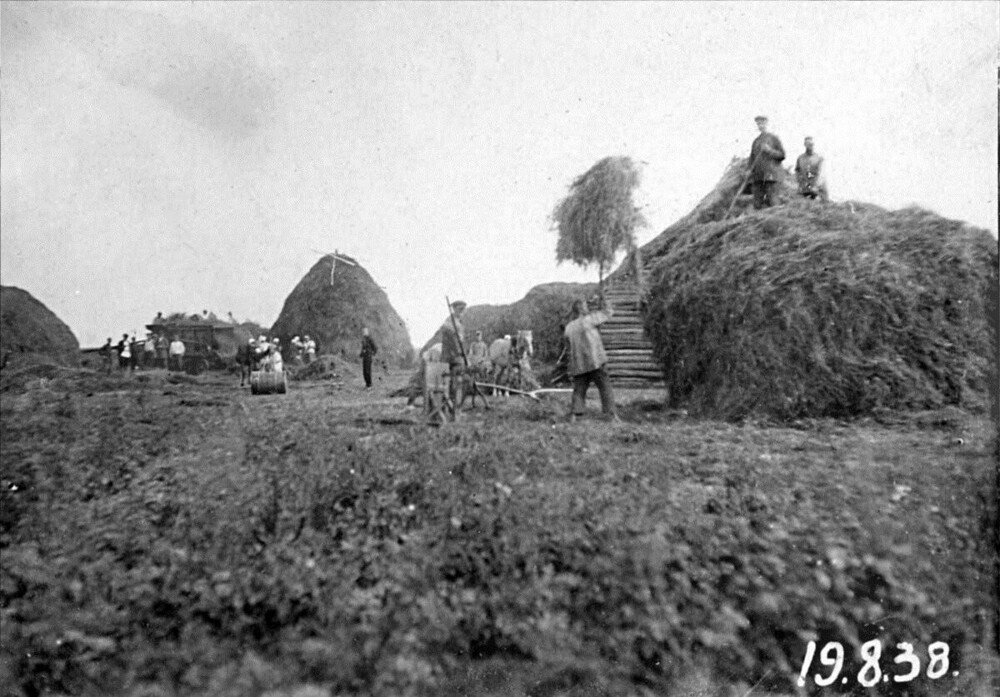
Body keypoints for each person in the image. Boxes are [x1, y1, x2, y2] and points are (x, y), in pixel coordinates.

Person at [564, 295, 619, 421]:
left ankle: (574, 416)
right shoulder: (590, 319)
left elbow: (568, 347)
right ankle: (612, 415)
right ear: (582, 309)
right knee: (605, 386)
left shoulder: (568, 328)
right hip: (595, 361)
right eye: (586, 306)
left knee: (579, 389)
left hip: (579, 364)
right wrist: (604, 300)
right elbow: (608, 312)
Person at [749, 115, 786, 209]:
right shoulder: (756, 142)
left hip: (771, 176)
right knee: (757, 204)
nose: (760, 126)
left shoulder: (773, 138)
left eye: (762, 123)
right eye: (758, 124)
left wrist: (769, 150)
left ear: (766, 124)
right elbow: (752, 159)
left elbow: (782, 155)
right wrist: (749, 170)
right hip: (758, 177)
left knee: (774, 202)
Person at [439, 300, 468, 404]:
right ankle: (448, 405)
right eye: (459, 310)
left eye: (463, 310)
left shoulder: (459, 322)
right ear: (454, 309)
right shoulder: (449, 322)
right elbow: (452, 340)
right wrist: (458, 352)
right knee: (448, 382)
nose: (461, 312)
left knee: (459, 382)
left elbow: (461, 341)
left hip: (458, 355)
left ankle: (456, 406)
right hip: (449, 356)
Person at [795, 136, 829, 202]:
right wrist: (800, 182)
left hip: (818, 190)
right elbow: (797, 171)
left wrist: (815, 186)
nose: (810, 146)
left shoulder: (819, 158)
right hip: (805, 189)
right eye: (808, 144)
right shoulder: (800, 158)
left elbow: (821, 175)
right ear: (805, 145)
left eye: (812, 144)